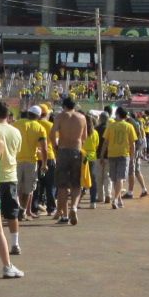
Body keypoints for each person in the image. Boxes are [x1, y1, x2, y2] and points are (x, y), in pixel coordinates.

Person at [0, 101, 25, 253]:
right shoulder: (15, 131)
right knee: (12, 212)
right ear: (8, 114)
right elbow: (17, 151)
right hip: (11, 175)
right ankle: (15, 243)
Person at [52, 97, 86, 226]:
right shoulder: (82, 118)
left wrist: (55, 146)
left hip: (63, 150)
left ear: (64, 106)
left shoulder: (60, 116)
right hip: (77, 150)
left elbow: (52, 133)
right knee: (76, 184)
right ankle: (74, 207)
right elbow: (85, 137)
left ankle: (65, 215)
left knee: (62, 186)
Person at [103, 107, 137, 208]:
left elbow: (105, 142)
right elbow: (133, 144)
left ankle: (118, 199)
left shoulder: (111, 126)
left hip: (112, 154)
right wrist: (132, 157)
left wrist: (101, 155)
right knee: (120, 178)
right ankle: (116, 199)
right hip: (123, 154)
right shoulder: (129, 126)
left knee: (114, 179)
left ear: (117, 114)